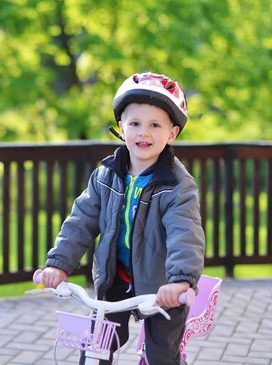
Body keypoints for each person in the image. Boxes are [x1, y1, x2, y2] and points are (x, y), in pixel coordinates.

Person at [41, 72, 205, 365]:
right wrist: (58, 264)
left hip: (162, 284)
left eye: (155, 125)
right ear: (122, 128)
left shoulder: (177, 185)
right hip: (116, 278)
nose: (144, 133)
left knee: (161, 355)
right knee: (95, 345)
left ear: (171, 134)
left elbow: (185, 233)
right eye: (135, 124)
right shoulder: (106, 175)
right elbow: (81, 220)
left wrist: (180, 281)